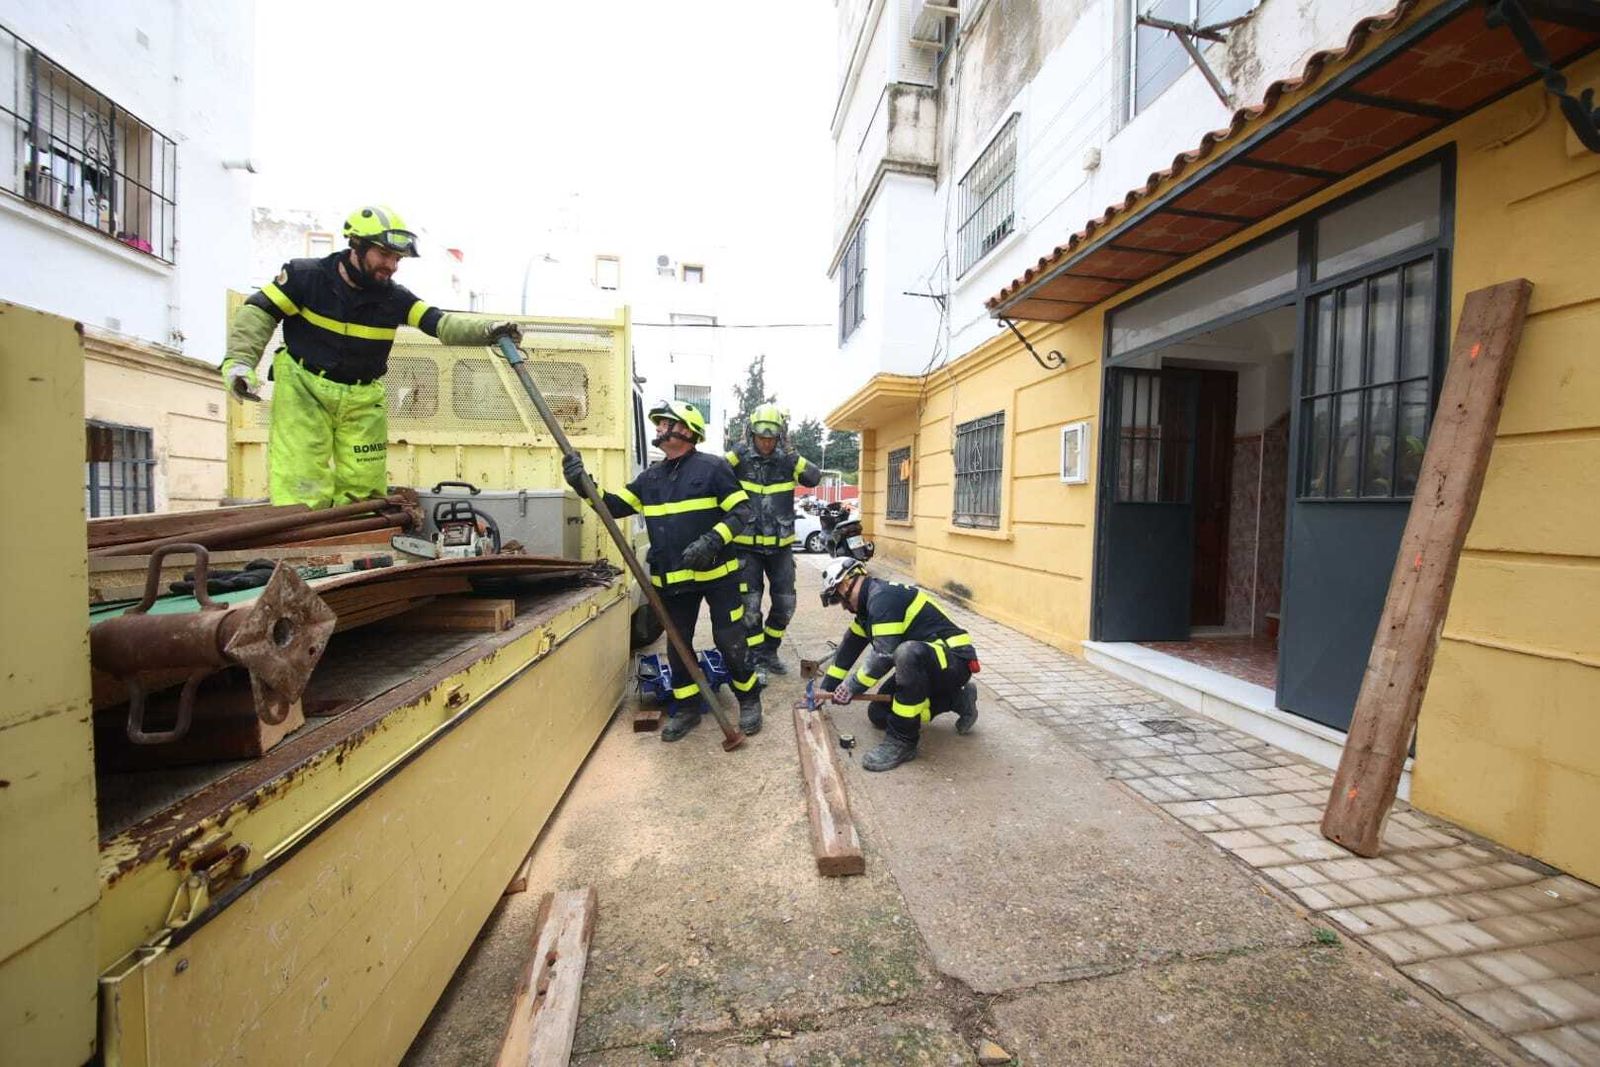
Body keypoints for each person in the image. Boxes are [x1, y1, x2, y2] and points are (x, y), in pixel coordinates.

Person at [222, 204, 522, 507]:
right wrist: (240, 362)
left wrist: (490, 331)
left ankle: (360, 535)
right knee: (302, 485)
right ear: (357, 245)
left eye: (397, 259)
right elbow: (259, 313)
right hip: (303, 390)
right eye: (384, 254)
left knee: (364, 492)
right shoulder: (306, 278)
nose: (392, 265)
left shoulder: (395, 298)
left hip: (362, 399)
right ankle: (303, 536)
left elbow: (442, 325)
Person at [563, 400, 765, 739]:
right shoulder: (651, 478)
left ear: (685, 429)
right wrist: (582, 484)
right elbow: (612, 506)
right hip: (674, 582)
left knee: (729, 639)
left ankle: (748, 698)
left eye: (664, 422)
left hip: (719, 577)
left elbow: (742, 512)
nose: (657, 427)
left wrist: (711, 541)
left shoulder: (713, 468)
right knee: (678, 644)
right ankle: (687, 708)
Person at [819, 557, 980, 771]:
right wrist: (826, 689)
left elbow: (883, 656)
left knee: (906, 652)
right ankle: (957, 700)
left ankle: (902, 741)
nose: (843, 606)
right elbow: (849, 647)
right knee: (878, 714)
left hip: (955, 661)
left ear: (845, 584)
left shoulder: (883, 600)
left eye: (838, 599)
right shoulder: (868, 609)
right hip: (923, 665)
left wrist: (851, 686)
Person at [725, 403, 821, 676]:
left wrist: (792, 454)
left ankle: (770, 650)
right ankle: (755, 656)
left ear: (781, 436)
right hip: (746, 548)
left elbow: (814, 477)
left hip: (780, 549)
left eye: (772, 438)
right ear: (751, 433)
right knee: (750, 607)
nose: (766, 443)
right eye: (761, 437)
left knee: (786, 605)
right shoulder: (740, 460)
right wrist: (736, 450)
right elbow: (715, 472)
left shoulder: (787, 460)